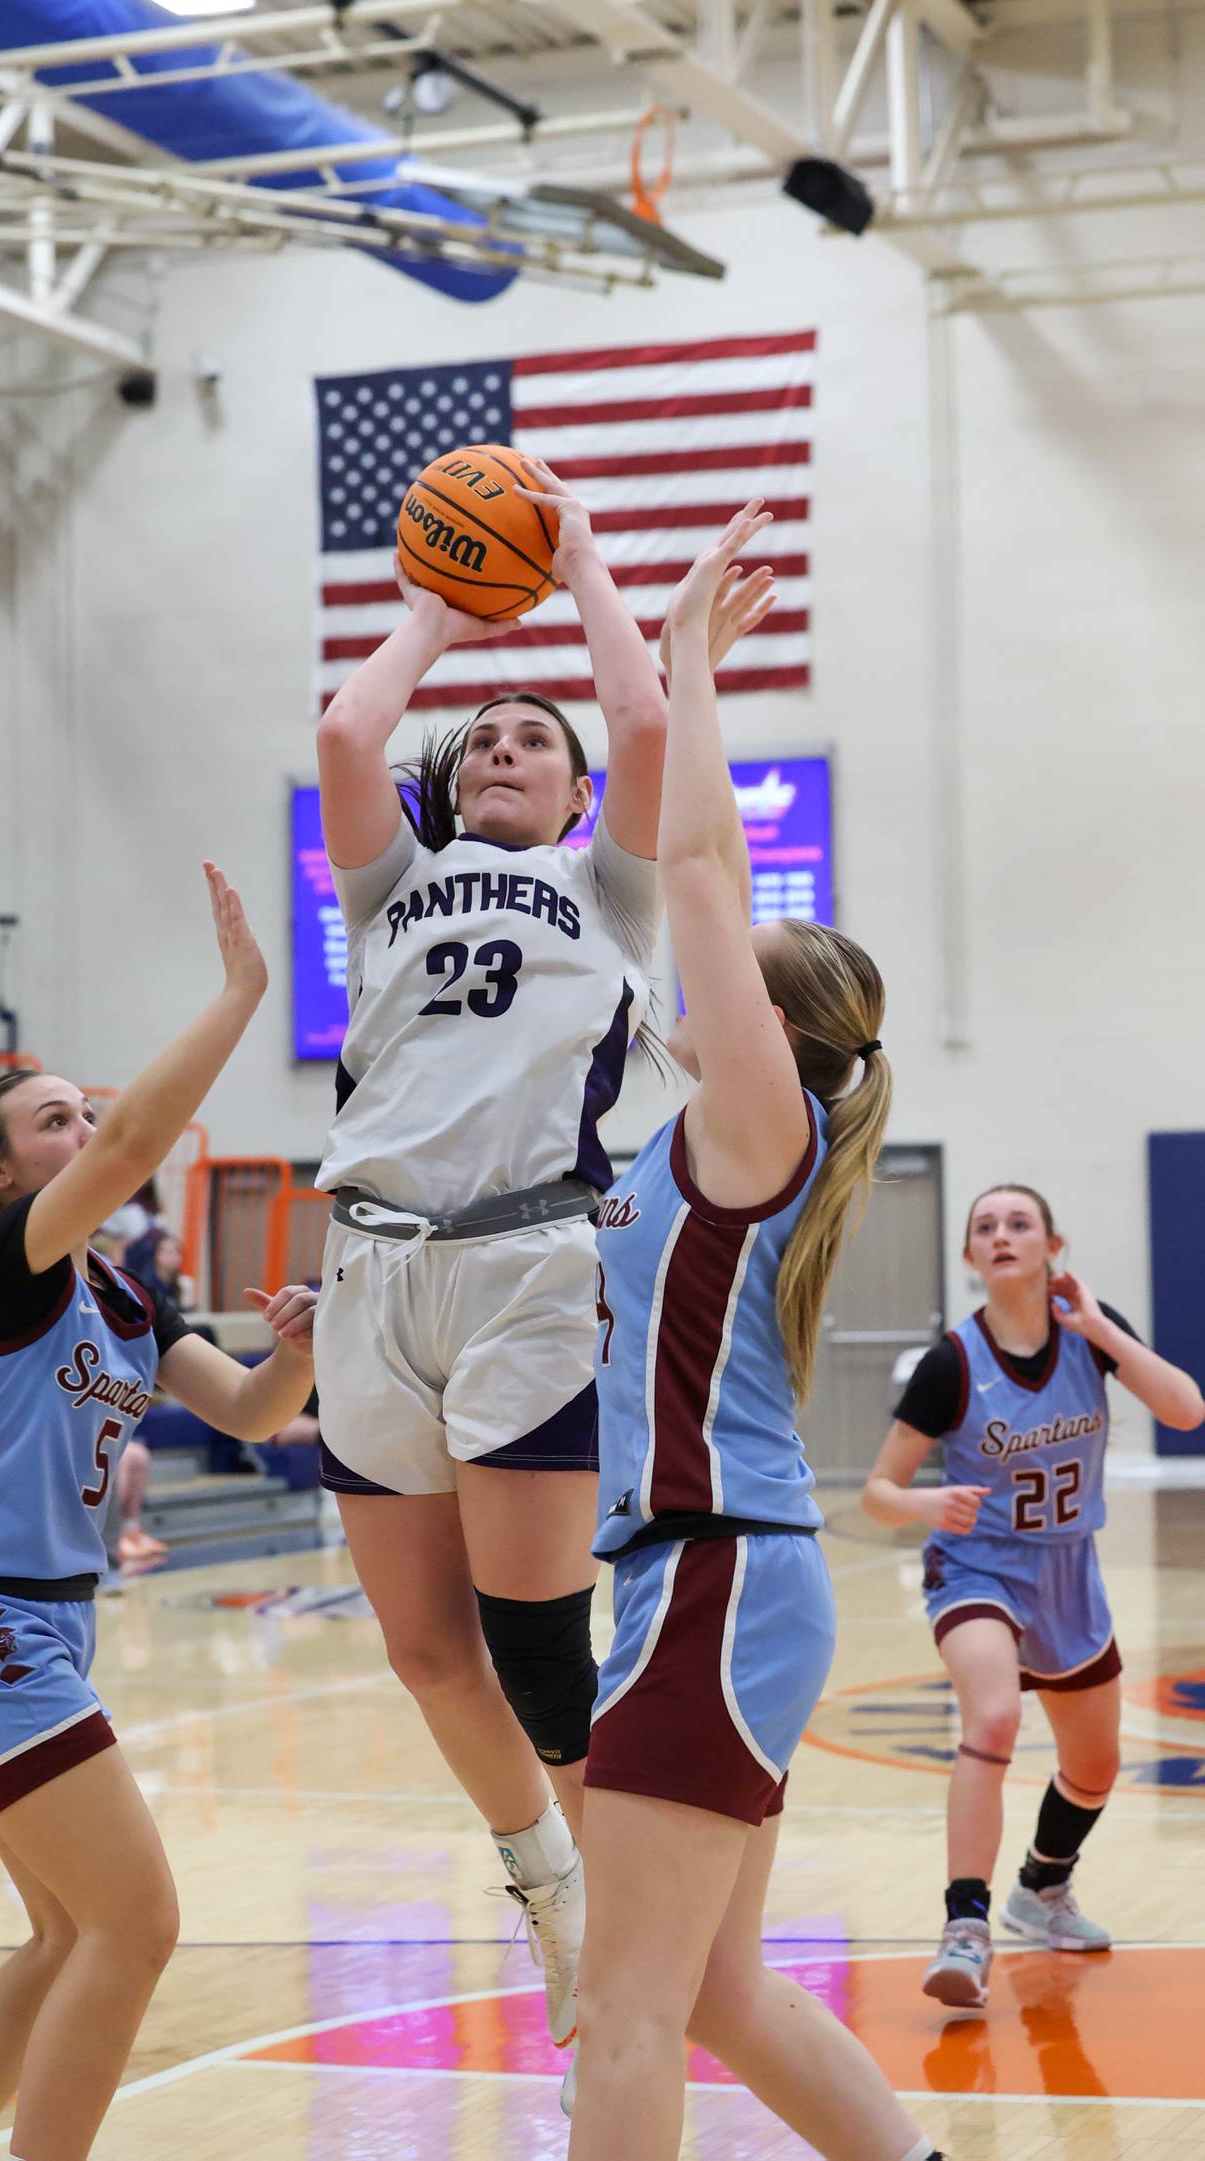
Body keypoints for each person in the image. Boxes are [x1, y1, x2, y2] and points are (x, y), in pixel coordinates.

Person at [565, 530, 942, 2161]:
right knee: (713, 1990)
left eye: (728, 974)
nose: (688, 957)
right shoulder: (695, 1139)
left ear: (769, 1026)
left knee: (625, 2008)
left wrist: (689, 655)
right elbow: (696, 871)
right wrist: (637, 629)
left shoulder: (753, 1113)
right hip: (718, 1576)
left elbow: (704, 868)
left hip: (714, 1579)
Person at [311, 457, 679, 2046]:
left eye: (540, 740)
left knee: (535, 1639)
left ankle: (637, 1921)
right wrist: (437, 611)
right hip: (364, 1272)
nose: (506, 749)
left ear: (578, 794)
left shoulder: (606, 892)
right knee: (418, 1643)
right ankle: (547, 1876)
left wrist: (578, 560)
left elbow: (650, 724)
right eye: (488, 741)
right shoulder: (390, 889)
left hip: (527, 1267)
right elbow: (345, 733)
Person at [0, 864, 319, 2161]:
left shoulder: (122, 1296)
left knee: (71, 1935)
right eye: (54, 1119)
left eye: (83, 1113)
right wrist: (243, 993)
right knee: (139, 1924)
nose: (86, 1131)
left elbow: (243, 1410)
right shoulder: (9, 1267)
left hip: (37, 1624)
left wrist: (300, 1346)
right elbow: (136, 1149)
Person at [862, 1184, 1204, 2008]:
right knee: (995, 1717)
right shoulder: (951, 1362)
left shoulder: (1093, 1331)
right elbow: (878, 1489)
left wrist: (1101, 1328)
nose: (1003, 1234)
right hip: (977, 1568)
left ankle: (1040, 1889)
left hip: (1068, 1573)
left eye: (1020, 1222)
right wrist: (919, 1505)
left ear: (1054, 1243)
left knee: (1094, 1765)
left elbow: (1187, 1411)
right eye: (987, 1227)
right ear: (971, 1257)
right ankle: (965, 1924)